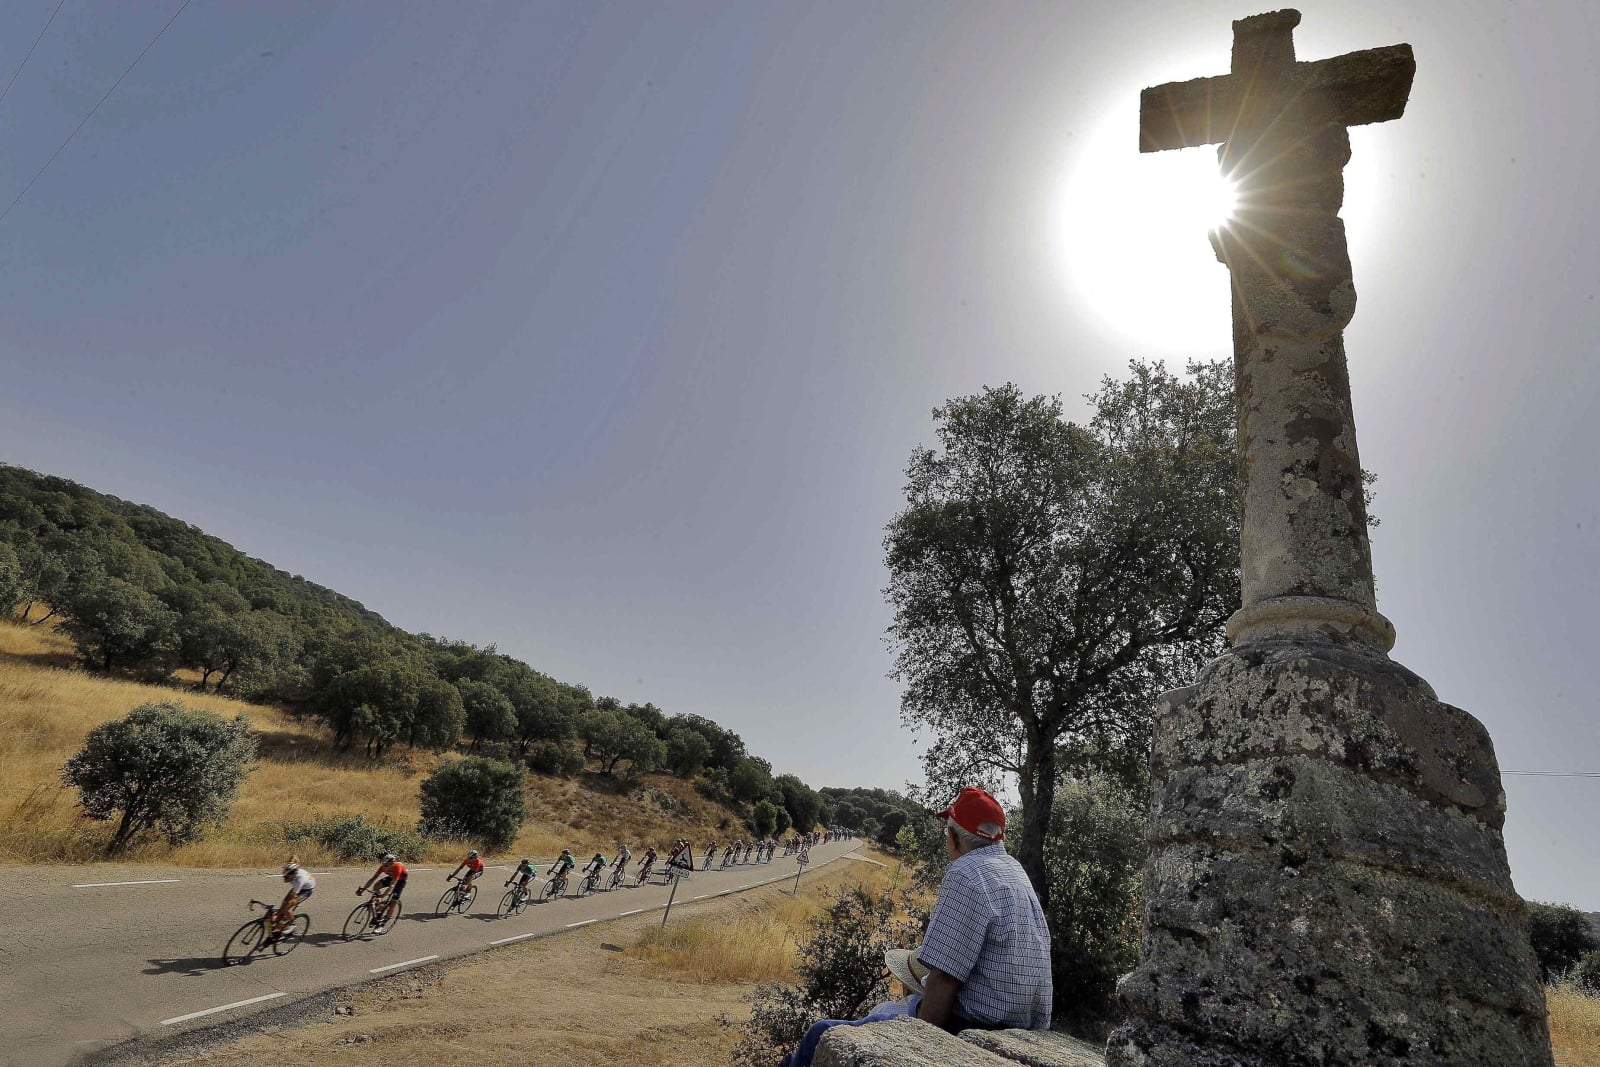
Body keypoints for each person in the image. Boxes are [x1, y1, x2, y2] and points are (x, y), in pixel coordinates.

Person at [779, 788, 1051, 1067]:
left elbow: (944, 978)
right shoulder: (1015, 871)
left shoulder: (966, 872)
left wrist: (918, 1044)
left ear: (954, 838)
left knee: (820, 1033)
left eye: (948, 832)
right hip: (1023, 1030)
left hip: (971, 1024)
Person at [358, 853, 408, 929]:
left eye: (387, 866)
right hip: (392, 877)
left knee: (393, 900)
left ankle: (385, 919)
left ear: (392, 863)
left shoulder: (397, 867)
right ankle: (380, 906)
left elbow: (392, 885)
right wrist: (363, 889)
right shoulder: (383, 867)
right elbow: (373, 879)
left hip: (400, 880)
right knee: (376, 885)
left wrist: (382, 896)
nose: (385, 868)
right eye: (384, 865)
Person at [273, 858, 315, 940]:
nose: (284, 879)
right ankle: (282, 924)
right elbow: (294, 856)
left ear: (292, 876)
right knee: (283, 904)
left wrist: (286, 909)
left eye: (286, 877)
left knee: (287, 908)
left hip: (306, 890)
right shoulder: (291, 869)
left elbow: (293, 897)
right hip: (301, 886)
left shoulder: (300, 880)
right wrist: (294, 860)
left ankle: (292, 925)